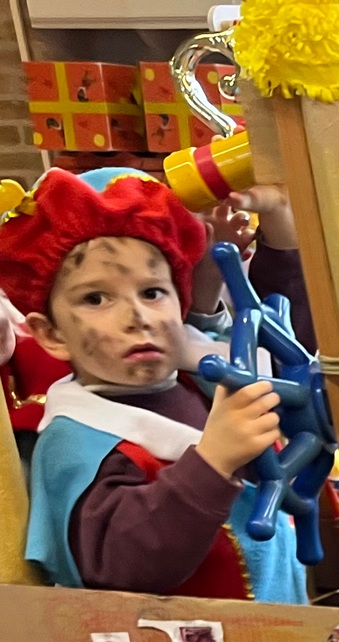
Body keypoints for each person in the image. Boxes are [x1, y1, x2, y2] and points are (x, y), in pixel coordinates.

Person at [0, 168, 316, 599]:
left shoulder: (199, 376)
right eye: (96, 298)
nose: (138, 317)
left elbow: (290, 351)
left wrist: (279, 227)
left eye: (152, 293)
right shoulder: (76, 441)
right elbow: (121, 565)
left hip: (284, 619)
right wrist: (212, 461)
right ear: (52, 334)